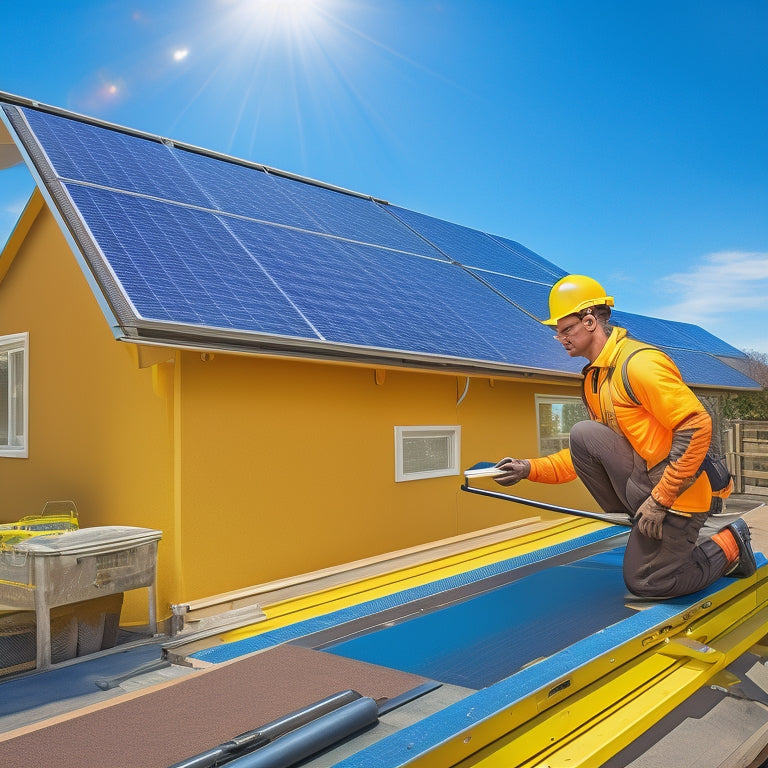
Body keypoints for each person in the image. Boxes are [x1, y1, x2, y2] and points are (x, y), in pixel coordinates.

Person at [495, 274, 756, 598]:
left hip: (679, 493)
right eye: (557, 332)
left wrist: (660, 501)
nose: (560, 338)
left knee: (647, 582)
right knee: (584, 434)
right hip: (644, 484)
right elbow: (588, 453)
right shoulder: (596, 380)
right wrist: (528, 469)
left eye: (566, 329)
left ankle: (731, 543)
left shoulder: (640, 365)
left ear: (590, 321)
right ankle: (649, 526)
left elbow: (695, 425)